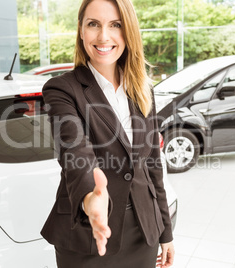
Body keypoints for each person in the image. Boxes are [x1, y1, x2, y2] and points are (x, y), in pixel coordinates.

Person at [40, 0, 175, 267]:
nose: (104, 36)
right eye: (93, 24)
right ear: (81, 30)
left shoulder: (142, 90)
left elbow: (152, 166)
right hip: (88, 234)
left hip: (143, 232)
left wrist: (165, 232)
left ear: (129, 31)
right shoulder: (62, 89)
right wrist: (91, 198)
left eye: (116, 25)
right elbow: (75, 150)